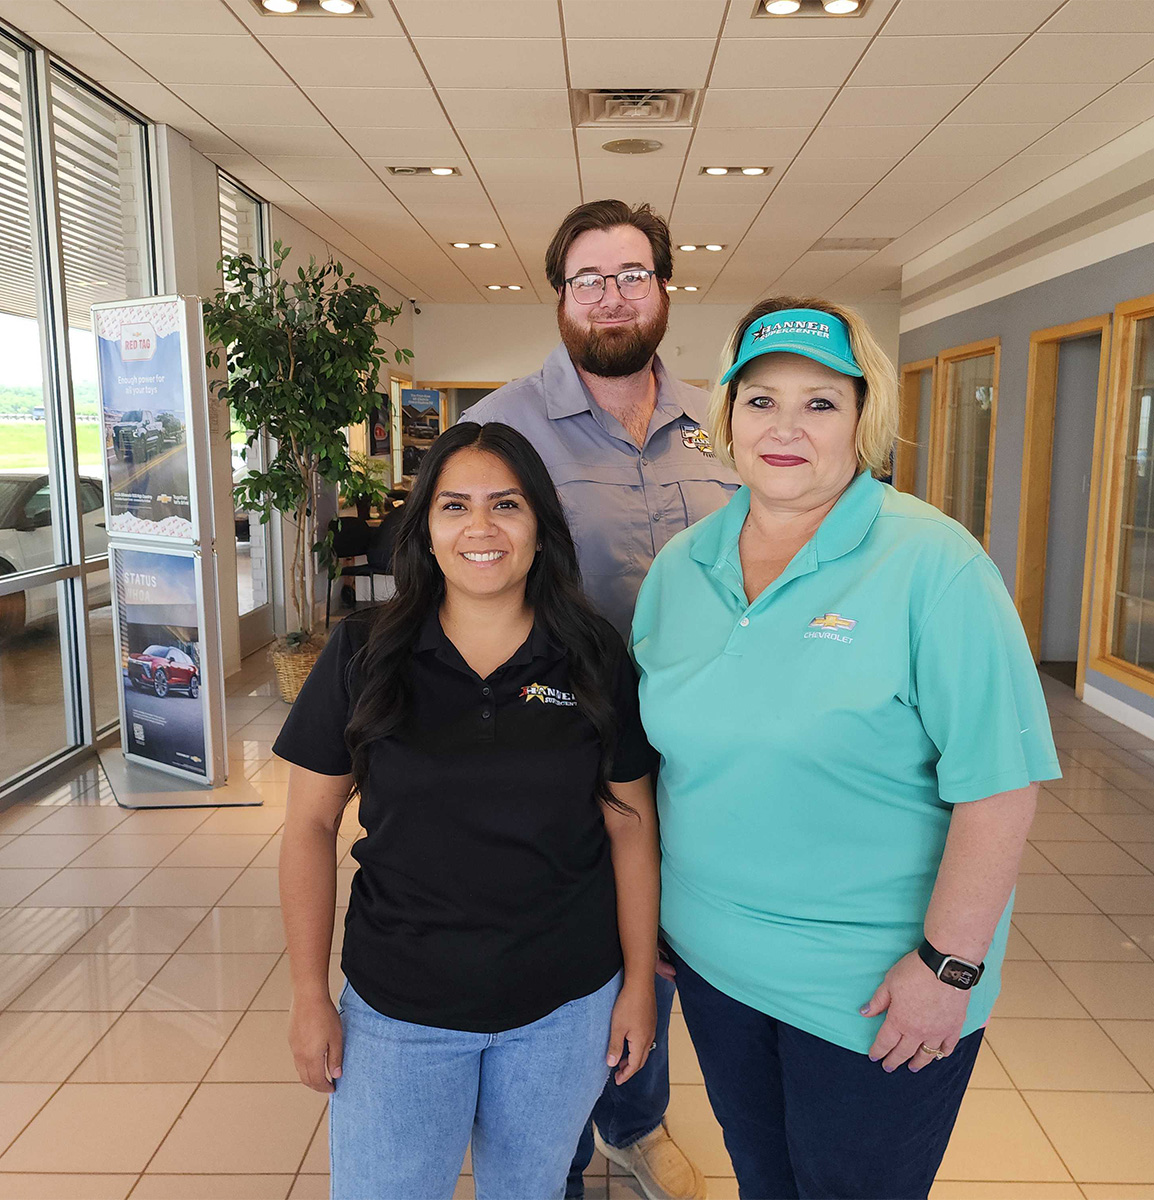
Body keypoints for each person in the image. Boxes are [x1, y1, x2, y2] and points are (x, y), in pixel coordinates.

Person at [629, 297, 1062, 1200]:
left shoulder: (934, 568)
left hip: (875, 988)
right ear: (727, 419)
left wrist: (950, 965)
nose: (786, 427)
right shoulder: (682, 568)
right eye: (761, 400)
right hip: (715, 966)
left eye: (821, 402)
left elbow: (1002, 787)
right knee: (764, 1183)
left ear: (865, 421)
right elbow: (669, 760)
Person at [274, 422, 660, 1200]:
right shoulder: (364, 651)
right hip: (399, 1010)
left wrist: (640, 985)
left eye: (506, 505)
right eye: (454, 506)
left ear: (541, 529)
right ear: (425, 529)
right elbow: (311, 827)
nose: (480, 528)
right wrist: (309, 994)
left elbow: (630, 826)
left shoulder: (593, 654)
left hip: (563, 1006)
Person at [461, 199, 739, 1200]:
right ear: (561, 296)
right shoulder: (496, 428)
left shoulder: (729, 423)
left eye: (631, 274)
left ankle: (634, 1120)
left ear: (666, 288)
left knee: (657, 936)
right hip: (553, 743)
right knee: (571, 946)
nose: (611, 295)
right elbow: (454, 582)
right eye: (589, 278)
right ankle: (556, 1148)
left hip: (704, 748)